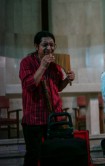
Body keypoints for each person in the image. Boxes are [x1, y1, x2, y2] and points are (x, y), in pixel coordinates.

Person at [19, 31, 75, 166]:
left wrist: (67, 79)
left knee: (54, 155)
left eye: (51, 45)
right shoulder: (26, 62)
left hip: (54, 118)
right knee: (33, 155)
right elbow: (29, 85)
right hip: (34, 118)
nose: (49, 48)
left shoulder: (55, 64)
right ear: (36, 46)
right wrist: (43, 66)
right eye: (44, 45)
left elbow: (58, 87)